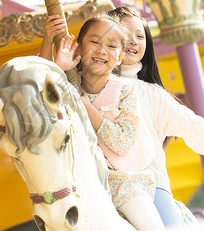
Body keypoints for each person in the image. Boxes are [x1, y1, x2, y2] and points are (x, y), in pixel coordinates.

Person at [41, 7, 204, 227]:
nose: (133, 41)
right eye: (126, 34)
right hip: (92, 182)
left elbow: (196, 129)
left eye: (140, 36)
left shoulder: (151, 94)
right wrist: (50, 42)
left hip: (148, 183)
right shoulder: (78, 84)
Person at [53, 14, 166, 231]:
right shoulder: (68, 84)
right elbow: (41, 104)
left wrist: (87, 108)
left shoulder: (125, 91)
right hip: (80, 182)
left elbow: (123, 143)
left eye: (112, 46)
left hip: (123, 182)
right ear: (78, 47)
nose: (102, 50)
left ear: (121, 56)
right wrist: (58, 67)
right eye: (94, 42)